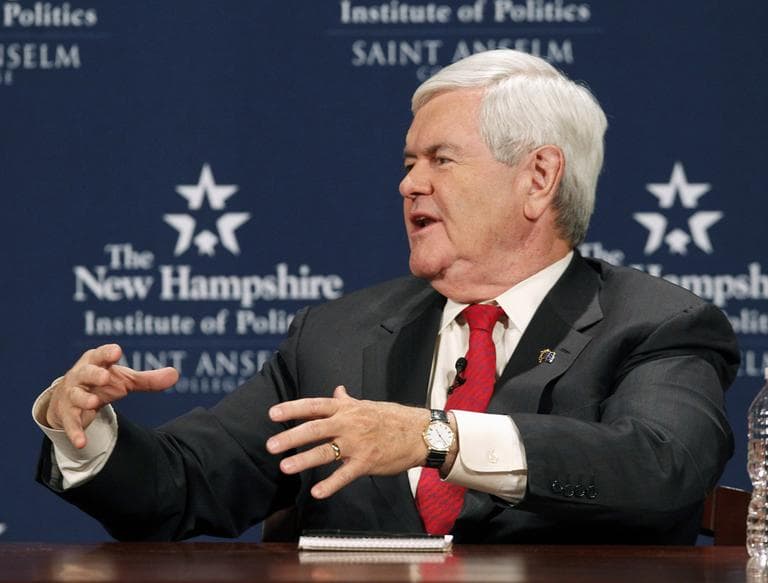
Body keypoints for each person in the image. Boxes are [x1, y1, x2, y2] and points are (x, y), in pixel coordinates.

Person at [34, 49, 738, 544]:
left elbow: (659, 463)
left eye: (440, 159)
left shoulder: (657, 325)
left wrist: (435, 436)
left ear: (538, 177)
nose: (409, 184)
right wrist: (89, 433)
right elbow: (187, 486)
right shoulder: (336, 335)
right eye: (407, 163)